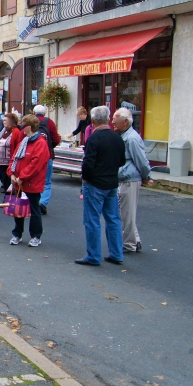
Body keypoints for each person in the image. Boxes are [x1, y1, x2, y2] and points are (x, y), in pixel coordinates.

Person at [76, 106, 126, 266]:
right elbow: (122, 161)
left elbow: (88, 163)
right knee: (113, 219)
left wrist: (85, 179)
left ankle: (93, 255)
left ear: (93, 120)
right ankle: (117, 253)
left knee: (92, 220)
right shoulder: (117, 137)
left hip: (95, 183)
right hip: (111, 182)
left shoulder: (94, 138)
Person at [112, 107, 153, 253]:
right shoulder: (125, 136)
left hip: (129, 179)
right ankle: (134, 240)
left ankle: (129, 244)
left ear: (125, 122)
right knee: (126, 212)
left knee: (126, 213)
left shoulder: (131, 138)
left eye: (115, 121)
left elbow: (141, 160)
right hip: (125, 178)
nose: (112, 122)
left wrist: (147, 176)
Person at [7, 115, 50, 247]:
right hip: (19, 182)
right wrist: (12, 174)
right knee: (17, 208)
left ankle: (36, 235)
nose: (21, 128)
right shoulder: (23, 142)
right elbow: (14, 159)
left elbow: (35, 164)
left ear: (29, 127)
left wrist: (21, 177)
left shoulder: (41, 143)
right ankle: (17, 234)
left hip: (31, 183)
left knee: (34, 210)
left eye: (23, 125)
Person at [32, 105, 61, 215]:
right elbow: (56, 139)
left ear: (34, 112)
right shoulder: (50, 122)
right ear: (45, 113)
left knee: (33, 179)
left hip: (32, 156)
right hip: (47, 156)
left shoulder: (30, 121)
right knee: (47, 181)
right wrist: (49, 147)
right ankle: (42, 202)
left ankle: (34, 201)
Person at [0, 113, 21, 193]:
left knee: (7, 176)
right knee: (3, 176)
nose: (3, 122)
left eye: (5, 120)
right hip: (2, 160)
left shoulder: (16, 132)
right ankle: (6, 188)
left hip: (9, 159)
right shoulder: (6, 131)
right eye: (3, 120)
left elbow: (17, 145)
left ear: (11, 121)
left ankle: (10, 190)